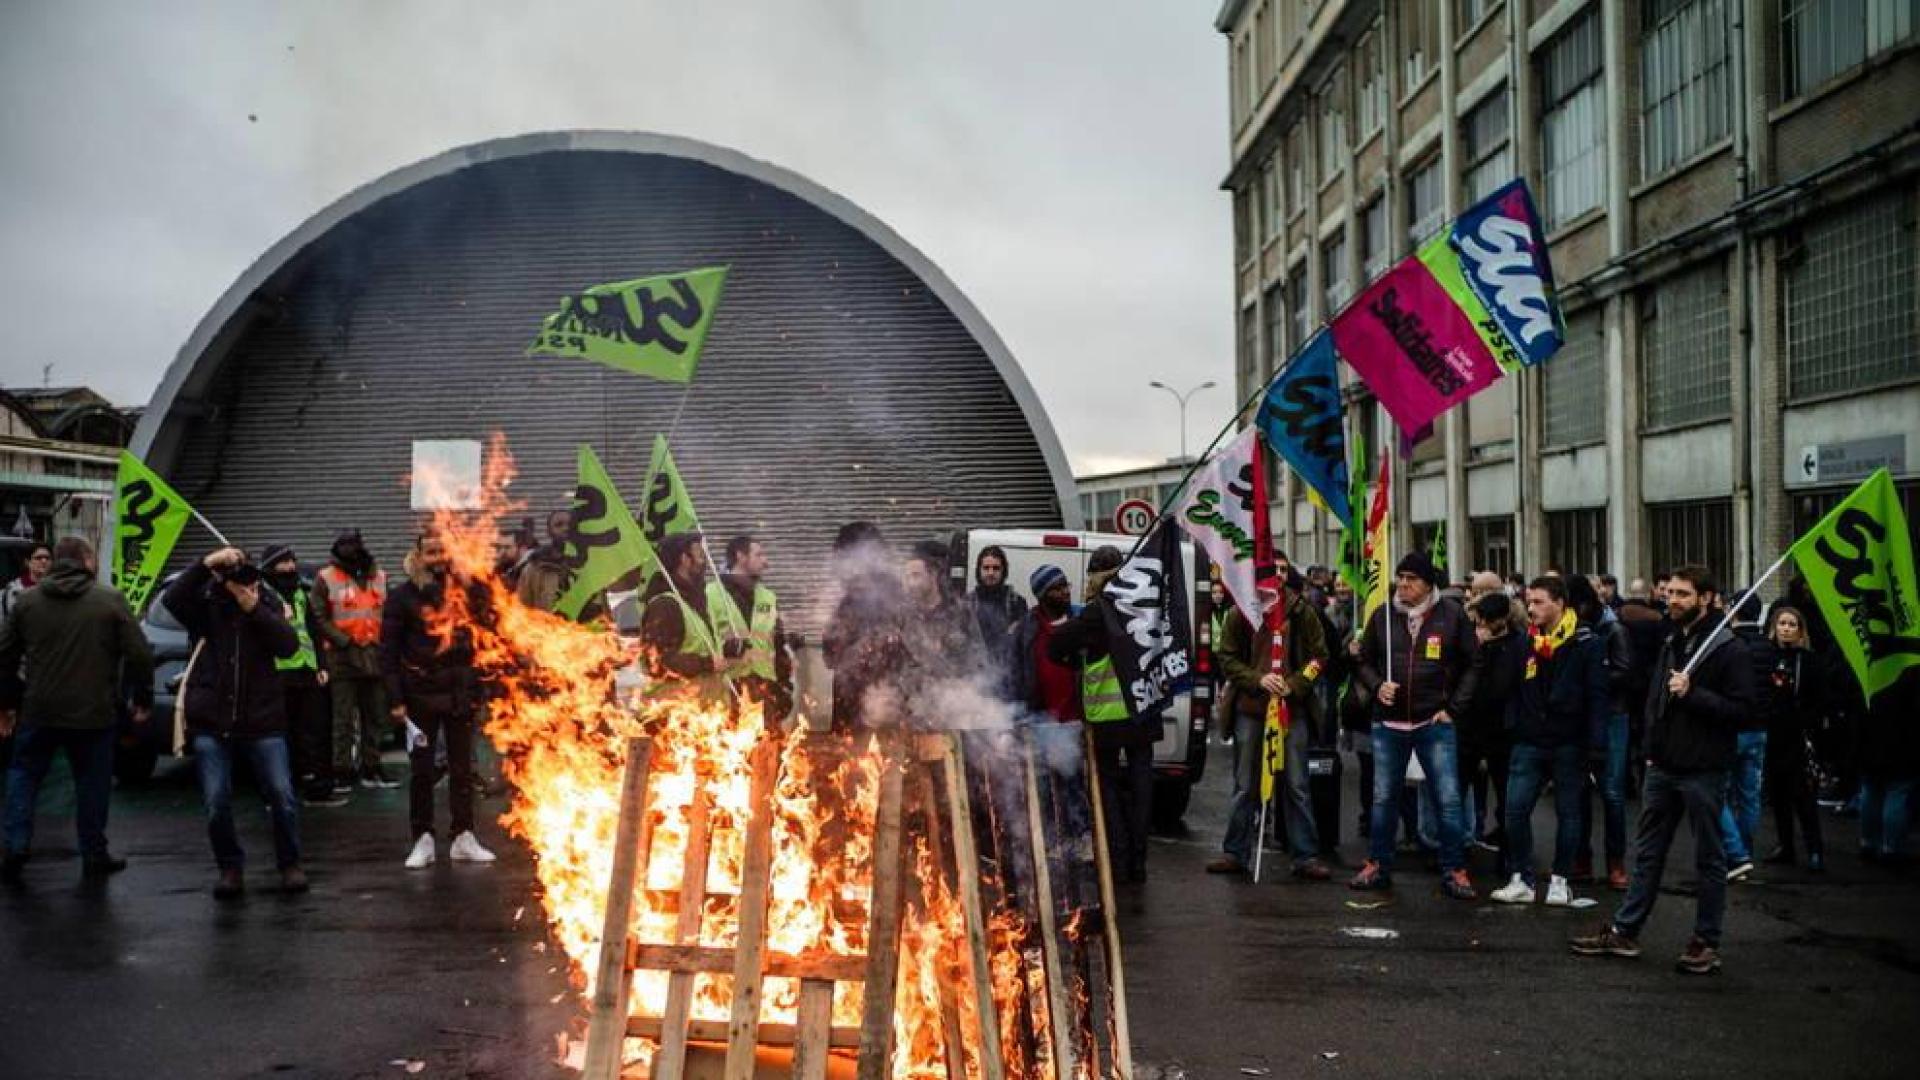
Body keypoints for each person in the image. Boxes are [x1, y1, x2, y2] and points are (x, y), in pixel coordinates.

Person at [1572, 565, 1753, 975]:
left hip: (1704, 768)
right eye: (1670, 592)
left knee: (1709, 857)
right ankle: (1626, 930)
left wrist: (1695, 695)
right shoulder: (1673, 639)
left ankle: (1706, 940)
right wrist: (1651, 748)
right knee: (1649, 853)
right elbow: (1656, 698)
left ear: (1705, 598)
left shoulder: (1728, 648)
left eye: (1683, 595)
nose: (1672, 600)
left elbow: (1743, 711)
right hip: (1664, 765)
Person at [0, 537, 153, 883]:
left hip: (40, 708)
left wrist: (7, 702)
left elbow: (5, 655)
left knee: (23, 775)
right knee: (92, 783)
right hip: (93, 711)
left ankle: (15, 845)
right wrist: (140, 698)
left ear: (55, 562)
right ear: (86, 561)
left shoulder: (28, 602)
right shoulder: (108, 600)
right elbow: (140, 654)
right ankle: (94, 852)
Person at [165, 547, 308, 898]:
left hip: (262, 720)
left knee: (281, 794)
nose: (243, 587)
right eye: (236, 581)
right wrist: (205, 564)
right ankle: (229, 867)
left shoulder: (267, 606)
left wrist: (254, 609)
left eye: (249, 582)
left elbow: (289, 646)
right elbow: (173, 598)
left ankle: (290, 864)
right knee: (216, 800)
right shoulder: (206, 608)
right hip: (213, 721)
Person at [1349, 551, 1479, 898]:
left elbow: (1473, 665)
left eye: (1412, 579)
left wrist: (1453, 708)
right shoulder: (1383, 616)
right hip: (1389, 724)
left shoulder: (1452, 616)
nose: (1403, 585)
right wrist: (1378, 684)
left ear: (1428, 584)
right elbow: (1362, 660)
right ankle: (1378, 864)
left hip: (1433, 721)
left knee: (1448, 799)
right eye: (1400, 577)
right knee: (1383, 798)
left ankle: (1454, 869)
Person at [1208, 550, 1332, 880]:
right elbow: (1227, 658)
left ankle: (1305, 855)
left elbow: (1320, 658)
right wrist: (1257, 679)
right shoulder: (1241, 613)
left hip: (1293, 712)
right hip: (1251, 710)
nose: (1276, 575)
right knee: (1245, 785)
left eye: (1281, 569)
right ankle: (1235, 851)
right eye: (1269, 570)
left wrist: (1294, 684)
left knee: (1296, 784)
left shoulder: (1302, 612)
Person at [1490, 577, 1609, 906]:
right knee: (1514, 810)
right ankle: (1522, 878)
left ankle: (1561, 879)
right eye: (1529, 601)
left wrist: (1596, 747)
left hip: (1569, 741)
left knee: (1569, 813)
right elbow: (1507, 688)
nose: (1531, 608)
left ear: (1560, 603)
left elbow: (1598, 697)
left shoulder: (1586, 642)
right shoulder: (1524, 643)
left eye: (1539, 601)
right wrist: (1514, 724)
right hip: (1529, 740)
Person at [383, 532, 496, 870]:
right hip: (420, 696)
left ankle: (464, 836)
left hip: (460, 693)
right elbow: (387, 652)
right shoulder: (402, 597)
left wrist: (480, 687)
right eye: (430, 552)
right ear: (418, 555)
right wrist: (395, 699)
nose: (437, 558)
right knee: (422, 771)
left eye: (441, 551)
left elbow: (484, 636)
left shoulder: (463, 591)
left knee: (463, 770)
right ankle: (423, 839)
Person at [1048, 546, 1157, 882]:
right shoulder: (1146, 607)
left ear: (1096, 574)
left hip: (1108, 715)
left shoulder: (1100, 610)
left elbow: (1056, 646)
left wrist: (1076, 658)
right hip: (1144, 709)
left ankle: (1118, 860)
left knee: (1107, 788)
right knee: (1141, 788)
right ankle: (1138, 862)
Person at [313, 528, 396, 790]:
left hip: (374, 654)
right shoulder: (325, 577)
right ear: (337, 548)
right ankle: (342, 770)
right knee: (343, 718)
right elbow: (318, 616)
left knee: (376, 716)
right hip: (342, 656)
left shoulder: (380, 576)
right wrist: (342, 640)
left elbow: (389, 614)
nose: (352, 549)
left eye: (355, 543)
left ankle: (372, 767)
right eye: (346, 544)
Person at [260, 543, 341, 807]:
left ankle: (318, 787)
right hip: (278, 674)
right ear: (271, 567)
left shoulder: (299, 593)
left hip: (306, 671)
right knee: (283, 736)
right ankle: (282, 791)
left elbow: (312, 631)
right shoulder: (262, 595)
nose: (290, 567)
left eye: (292, 561)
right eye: (283, 563)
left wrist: (321, 665)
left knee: (314, 732)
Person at [1567, 573, 1633, 888]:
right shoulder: (1571, 631)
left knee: (1612, 792)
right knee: (1579, 791)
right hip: (1581, 716)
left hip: (1612, 715)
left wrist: (1593, 679)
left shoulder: (1613, 629)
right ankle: (1582, 857)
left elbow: (1625, 671)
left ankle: (1616, 862)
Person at [1757, 606, 1825, 871]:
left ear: (1800, 630)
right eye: (1782, 623)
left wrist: (1809, 727)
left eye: (1791, 624)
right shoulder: (1769, 656)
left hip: (1799, 737)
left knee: (1804, 797)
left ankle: (1815, 848)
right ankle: (1785, 845)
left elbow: (1819, 700)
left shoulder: (1809, 661)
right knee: (1779, 796)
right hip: (1773, 735)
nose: (1786, 628)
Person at [640, 532, 743, 700]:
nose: (705, 561)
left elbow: (697, 645)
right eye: (700, 555)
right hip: (677, 712)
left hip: (707, 711)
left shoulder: (695, 601)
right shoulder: (665, 605)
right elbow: (656, 662)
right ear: (684, 559)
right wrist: (706, 664)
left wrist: (725, 649)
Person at [1461, 592, 1525, 851]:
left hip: (1502, 730)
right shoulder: (1475, 644)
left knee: (1505, 792)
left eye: (1486, 622)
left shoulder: (1518, 645)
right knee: (1460, 787)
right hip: (1472, 728)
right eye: (1478, 622)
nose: (1482, 628)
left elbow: (1502, 686)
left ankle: (1509, 850)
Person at [1717, 593, 1772, 884]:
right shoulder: (1768, 646)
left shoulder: (1729, 645)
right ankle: (1744, 852)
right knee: (1749, 795)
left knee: (1717, 792)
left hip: (1731, 728)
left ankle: (1736, 853)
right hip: (1759, 728)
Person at [714, 534, 793, 725]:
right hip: (728, 690)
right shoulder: (711, 594)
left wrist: (784, 685)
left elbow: (777, 644)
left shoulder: (768, 597)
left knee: (770, 750)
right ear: (741, 556)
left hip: (765, 689)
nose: (766, 562)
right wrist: (726, 649)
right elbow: (702, 640)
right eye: (759, 555)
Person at [1857, 666, 1917, 865]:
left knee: (1871, 788)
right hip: (1901, 741)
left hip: (1871, 736)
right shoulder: (1912, 671)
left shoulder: (1872, 665)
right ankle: (1891, 847)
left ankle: (1868, 842)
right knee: (1898, 790)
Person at [1011, 564, 1081, 722]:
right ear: (1042, 595)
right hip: (1040, 721)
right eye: (1057, 588)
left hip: (1076, 721)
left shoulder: (1080, 621)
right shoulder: (1025, 629)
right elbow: (1015, 674)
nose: (1066, 592)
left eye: (1065, 585)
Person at [967, 545, 1028, 699]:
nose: (990, 573)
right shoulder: (968, 603)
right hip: (976, 681)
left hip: (1009, 682)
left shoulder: (1016, 603)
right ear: (978, 570)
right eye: (986, 568)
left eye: (996, 568)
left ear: (1003, 571)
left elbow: (1024, 645)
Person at [515, 508, 574, 613]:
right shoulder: (533, 569)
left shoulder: (591, 565)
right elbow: (523, 609)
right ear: (549, 532)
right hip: (548, 627)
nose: (566, 528)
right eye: (559, 525)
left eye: (570, 524)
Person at [0, 543, 50, 627]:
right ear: (28, 562)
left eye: (48, 558)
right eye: (38, 558)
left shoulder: (58, 589)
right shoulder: (10, 592)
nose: (44, 561)